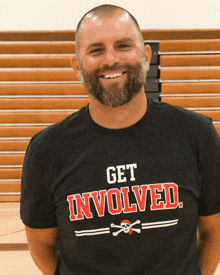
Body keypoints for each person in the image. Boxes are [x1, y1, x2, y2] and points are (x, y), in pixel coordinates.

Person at [20, 4, 220, 275]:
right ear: (77, 67)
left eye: (124, 45)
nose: (111, 59)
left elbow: (214, 234)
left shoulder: (197, 135)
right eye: (96, 50)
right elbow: (41, 247)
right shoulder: (47, 149)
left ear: (146, 56)